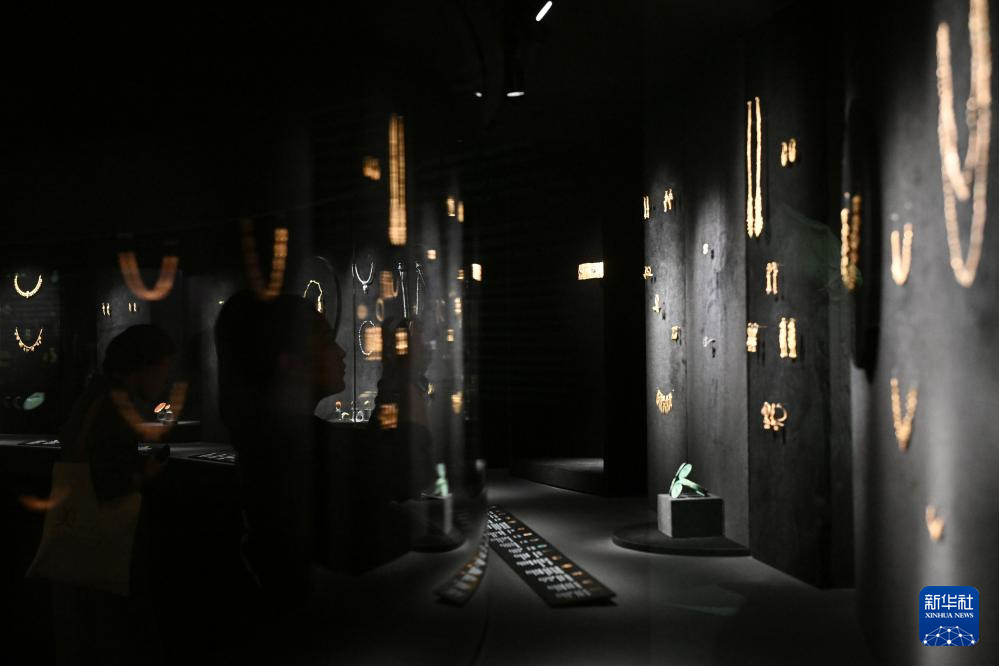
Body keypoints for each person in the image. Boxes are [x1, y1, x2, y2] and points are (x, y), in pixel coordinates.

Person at [52, 324, 177, 666]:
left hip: (78, 543)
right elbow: (108, 482)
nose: (165, 378)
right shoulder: (113, 406)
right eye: (163, 368)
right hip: (108, 544)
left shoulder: (95, 396)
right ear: (144, 366)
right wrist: (145, 475)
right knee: (118, 630)